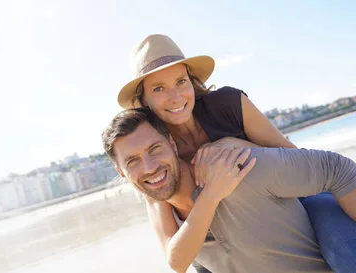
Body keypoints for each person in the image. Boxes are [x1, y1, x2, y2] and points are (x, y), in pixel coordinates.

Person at [116, 34, 356, 272]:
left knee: (339, 245)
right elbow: (178, 245)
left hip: (304, 198)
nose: (176, 96)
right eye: (159, 88)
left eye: (181, 81)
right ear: (144, 99)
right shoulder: (157, 148)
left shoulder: (227, 104)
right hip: (247, 234)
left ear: (191, 81)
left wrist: (235, 144)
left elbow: (293, 155)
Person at [101, 107, 356, 273]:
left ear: (172, 143)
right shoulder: (175, 226)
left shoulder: (235, 167)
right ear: (122, 174)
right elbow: (188, 263)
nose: (149, 167)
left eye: (154, 149)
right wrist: (210, 196)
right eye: (132, 161)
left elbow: (336, 168)